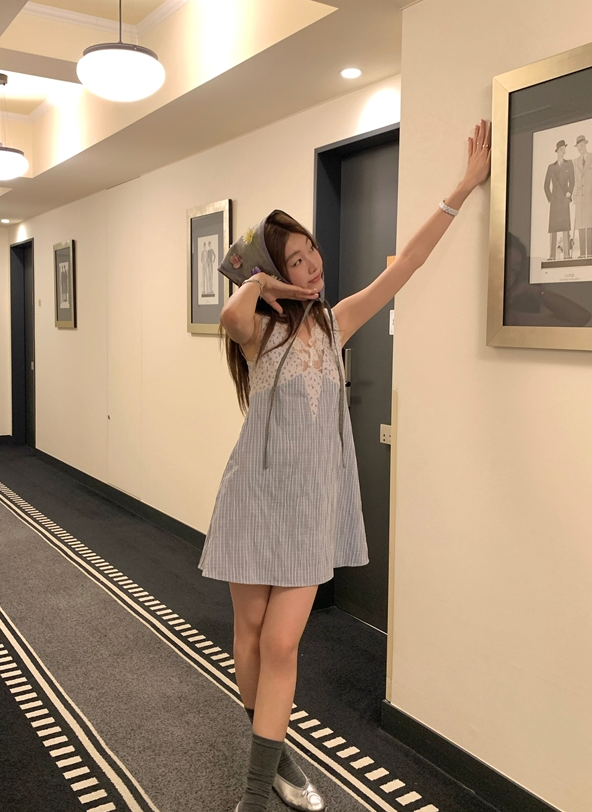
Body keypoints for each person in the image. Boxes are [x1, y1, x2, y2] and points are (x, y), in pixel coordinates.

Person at [198, 120, 493, 812]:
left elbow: (406, 265)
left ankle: (254, 792)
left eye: (313, 254)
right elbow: (230, 310)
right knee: (247, 638)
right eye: (297, 260)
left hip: (310, 507)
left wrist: (463, 187)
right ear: (277, 271)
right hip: (252, 498)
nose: (313, 267)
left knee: (280, 643)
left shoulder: (338, 323)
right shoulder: (257, 331)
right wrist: (263, 279)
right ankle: (278, 758)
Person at [543, 140, 574, 261]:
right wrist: (550, 198)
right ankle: (552, 255)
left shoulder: (569, 164)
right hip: (555, 201)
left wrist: (569, 192)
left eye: (564, 149)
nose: (563, 151)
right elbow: (546, 185)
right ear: (557, 151)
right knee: (553, 228)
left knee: (565, 227)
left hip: (564, 199)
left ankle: (566, 255)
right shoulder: (551, 167)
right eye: (561, 149)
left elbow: (572, 181)